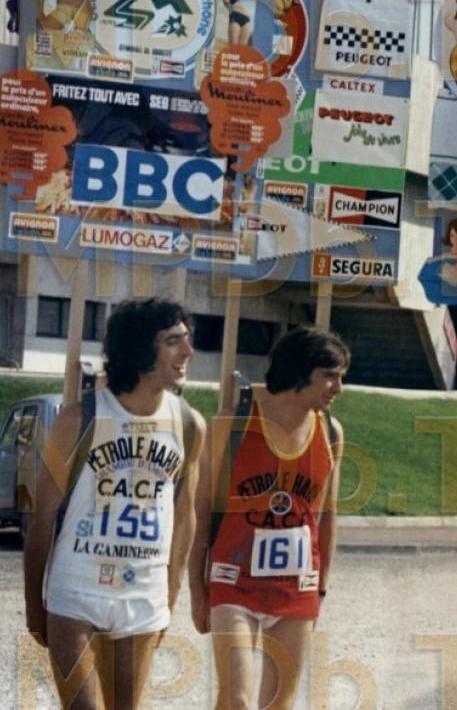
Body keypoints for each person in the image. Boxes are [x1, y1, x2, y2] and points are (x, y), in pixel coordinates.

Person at [23, 298, 204, 709]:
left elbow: (184, 516)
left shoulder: (189, 424)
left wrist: (170, 595)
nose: (187, 351)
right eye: (173, 341)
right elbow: (42, 516)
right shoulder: (80, 418)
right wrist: (34, 602)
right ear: (139, 348)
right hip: (76, 589)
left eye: (187, 339)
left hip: (143, 594)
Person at [189, 326, 348, 709]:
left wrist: (321, 589)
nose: (338, 388)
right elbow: (201, 512)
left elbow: (327, 518)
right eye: (330, 375)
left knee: (279, 704)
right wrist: (197, 589)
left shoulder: (330, 431)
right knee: (237, 701)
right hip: (233, 581)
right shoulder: (231, 425)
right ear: (300, 371)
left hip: (297, 587)